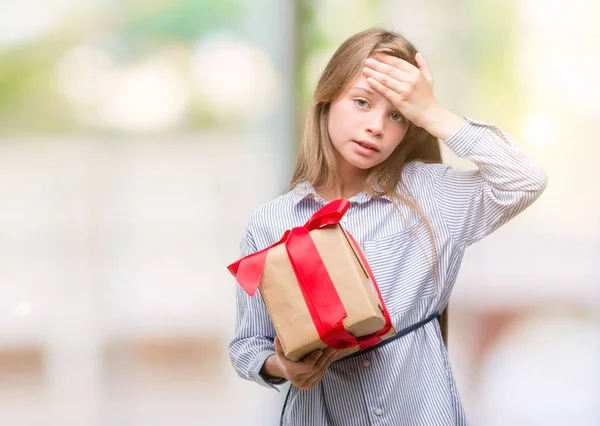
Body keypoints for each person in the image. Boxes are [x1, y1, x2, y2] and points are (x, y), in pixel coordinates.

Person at [228, 28, 548, 425]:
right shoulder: (271, 221)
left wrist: (431, 112)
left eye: (397, 114)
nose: (377, 126)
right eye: (361, 102)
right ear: (327, 100)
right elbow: (247, 345)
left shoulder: (431, 194)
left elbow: (525, 179)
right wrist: (282, 366)